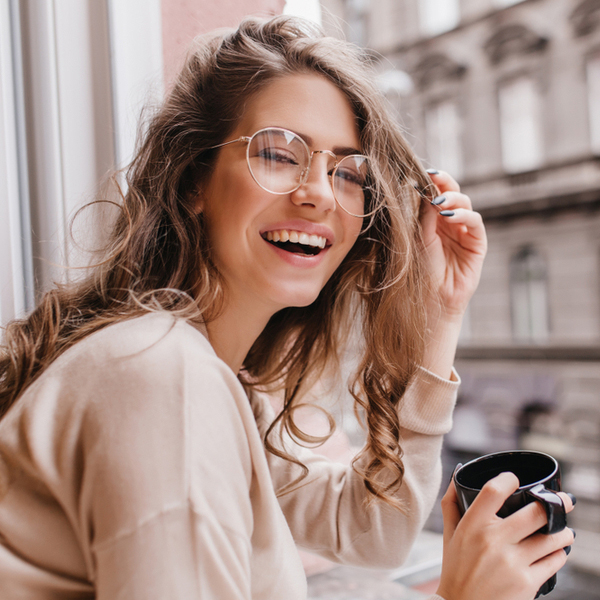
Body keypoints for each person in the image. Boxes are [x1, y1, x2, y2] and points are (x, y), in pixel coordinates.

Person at [0, 15, 574, 600]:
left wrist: (440, 310)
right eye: (277, 155)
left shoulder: (217, 382)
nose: (320, 193)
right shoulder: (162, 378)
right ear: (193, 179)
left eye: (348, 172)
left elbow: (374, 531)